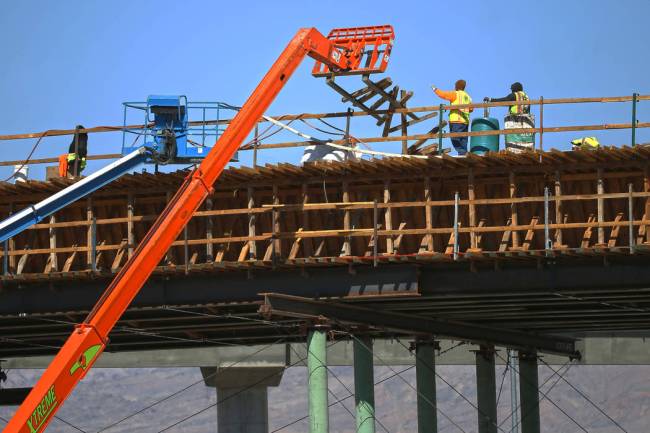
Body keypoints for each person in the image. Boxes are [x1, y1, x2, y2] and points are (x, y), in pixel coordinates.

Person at [485, 82, 534, 153]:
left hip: (515, 121)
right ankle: (526, 149)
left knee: (513, 139)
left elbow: (504, 100)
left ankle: (514, 149)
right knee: (525, 139)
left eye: (512, 89)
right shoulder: (526, 96)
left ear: (515, 89)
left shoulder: (515, 95)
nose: (511, 91)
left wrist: (491, 100)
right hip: (526, 122)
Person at [432, 80, 473, 155]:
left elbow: (443, 94)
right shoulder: (468, 97)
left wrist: (435, 89)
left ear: (457, 86)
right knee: (463, 139)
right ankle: (463, 154)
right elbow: (471, 109)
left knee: (454, 138)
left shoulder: (455, 94)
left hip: (456, 120)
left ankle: (462, 153)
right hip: (465, 122)